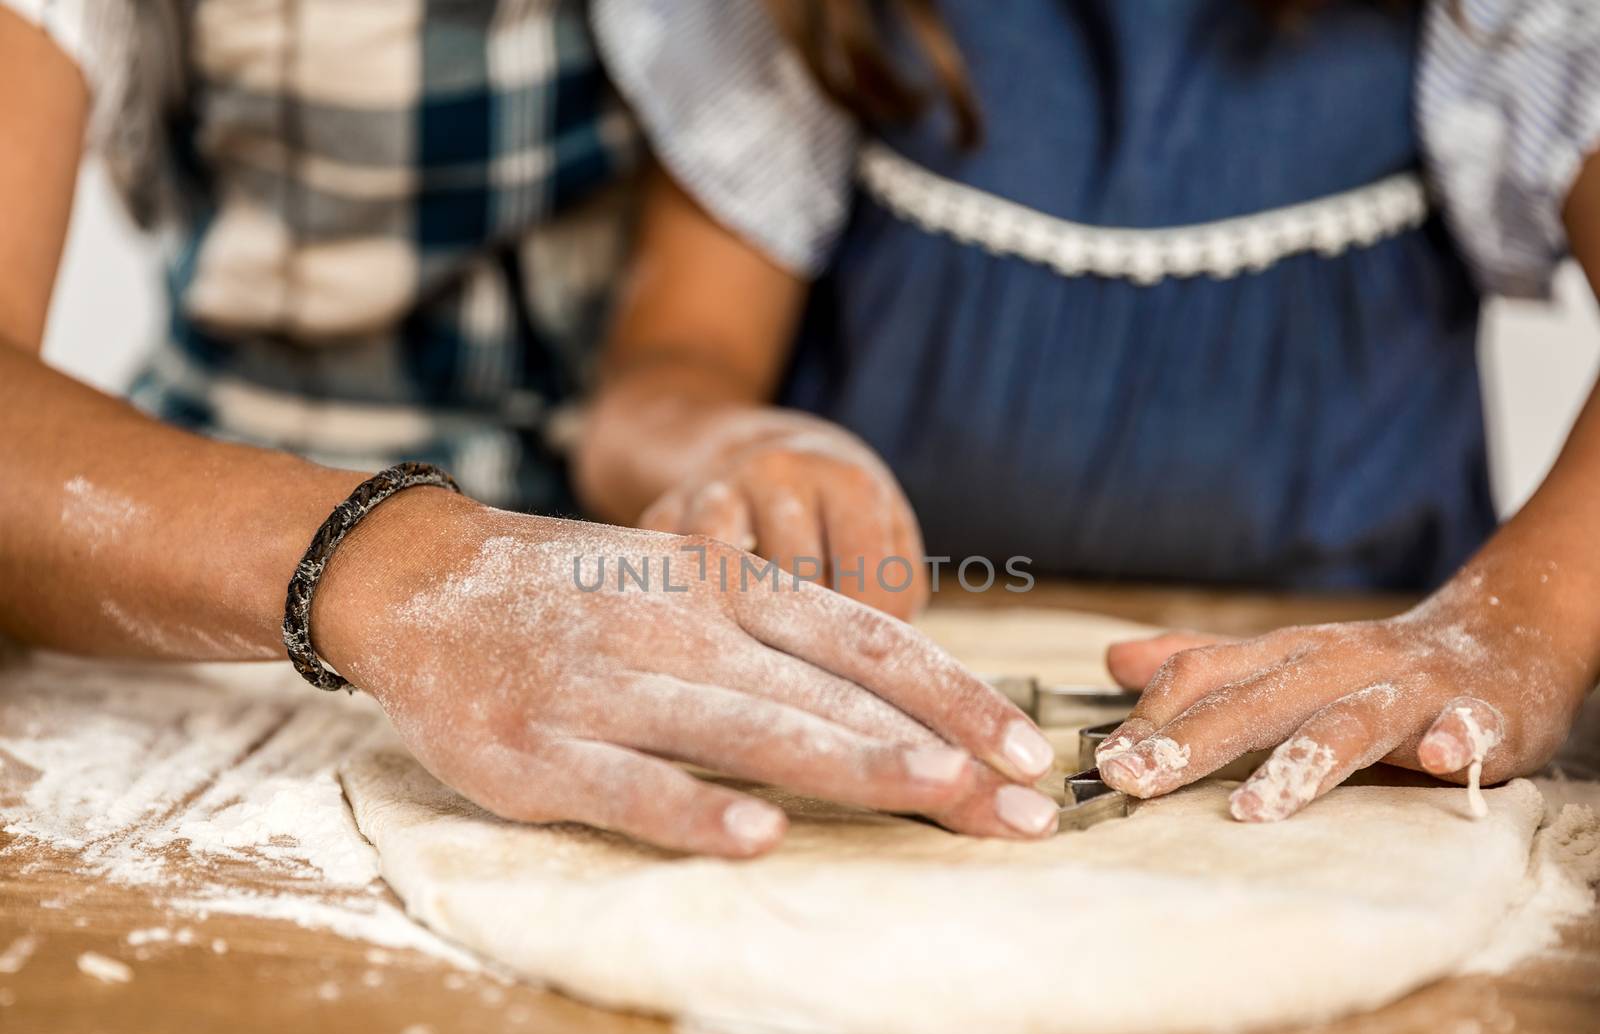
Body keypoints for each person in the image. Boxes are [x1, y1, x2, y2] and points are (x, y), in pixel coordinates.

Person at [0, 1, 1066, 857]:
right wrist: (415, 576)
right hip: (183, 586)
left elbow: (671, 363)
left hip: (607, 623)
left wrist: (724, 446)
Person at [575, 0, 1600, 821]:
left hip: (1372, 718)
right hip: (894, 666)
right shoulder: (805, 15)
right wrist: (726, 440)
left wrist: (1513, 625)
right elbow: (657, 385)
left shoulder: (1499, 22)